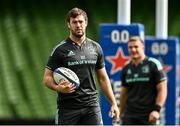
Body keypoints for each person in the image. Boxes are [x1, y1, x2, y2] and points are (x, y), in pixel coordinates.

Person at [43, 7, 119, 125]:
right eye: (74, 22)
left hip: (91, 106)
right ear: (69, 24)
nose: (78, 25)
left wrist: (113, 103)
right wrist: (58, 88)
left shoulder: (96, 48)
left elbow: (103, 78)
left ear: (86, 23)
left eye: (81, 21)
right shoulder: (60, 50)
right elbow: (47, 78)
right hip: (67, 108)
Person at [119, 36, 167, 125]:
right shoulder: (126, 68)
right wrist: (120, 113)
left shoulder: (154, 64)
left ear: (143, 47)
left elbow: (162, 89)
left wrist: (157, 110)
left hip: (149, 115)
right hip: (129, 116)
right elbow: (123, 94)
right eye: (130, 47)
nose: (133, 50)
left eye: (136, 47)